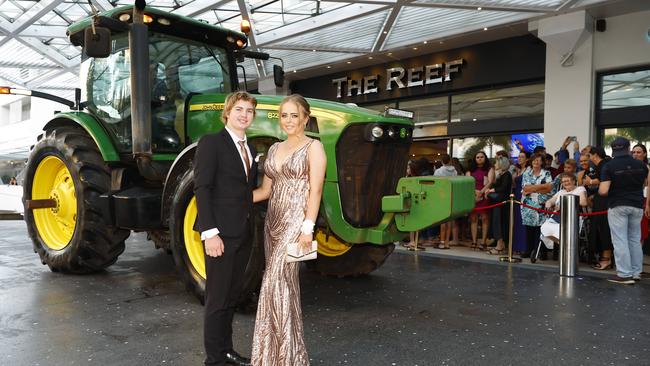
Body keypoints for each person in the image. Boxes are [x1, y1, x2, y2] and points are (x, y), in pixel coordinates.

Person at [251, 94, 326, 365]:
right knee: (283, 288)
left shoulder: (313, 147)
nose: (289, 120)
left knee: (275, 284)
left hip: (296, 224)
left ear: (306, 118)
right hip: (273, 221)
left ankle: (283, 356)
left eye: (295, 115)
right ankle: (279, 354)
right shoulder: (273, 150)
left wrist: (307, 228)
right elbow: (265, 191)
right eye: (284, 115)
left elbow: (315, 191)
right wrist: (229, 199)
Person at [193, 91, 258, 366]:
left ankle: (226, 351)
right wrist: (210, 232)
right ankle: (214, 360)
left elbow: (244, 191)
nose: (244, 115)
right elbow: (202, 188)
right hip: (219, 234)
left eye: (249, 111)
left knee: (231, 296)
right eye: (239, 109)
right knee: (217, 299)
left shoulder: (250, 148)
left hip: (242, 232)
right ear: (227, 113)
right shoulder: (212, 143)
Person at [599, 137, 648, 284]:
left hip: (618, 204)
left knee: (620, 240)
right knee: (634, 239)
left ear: (614, 150)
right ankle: (636, 272)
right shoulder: (641, 165)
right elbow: (645, 184)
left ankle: (624, 274)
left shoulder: (609, 166)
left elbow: (603, 190)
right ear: (628, 148)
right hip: (637, 205)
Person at [541, 173, 588, 249]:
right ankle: (563, 244)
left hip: (573, 217)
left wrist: (564, 204)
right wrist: (548, 203)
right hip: (558, 217)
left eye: (567, 180)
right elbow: (551, 201)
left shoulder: (580, 189)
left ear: (573, 181)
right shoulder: (561, 192)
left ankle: (565, 245)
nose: (566, 183)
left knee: (561, 229)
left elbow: (583, 202)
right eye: (563, 182)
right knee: (545, 227)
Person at [520, 153, 553, 259]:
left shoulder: (547, 173)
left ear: (542, 162)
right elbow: (525, 189)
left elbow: (549, 189)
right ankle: (529, 250)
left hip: (542, 205)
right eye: (534, 160)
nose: (536, 162)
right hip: (528, 205)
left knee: (541, 228)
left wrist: (533, 188)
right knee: (529, 229)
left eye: (538, 160)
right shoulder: (526, 173)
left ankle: (542, 252)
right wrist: (541, 187)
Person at [588, 146, 613, 270]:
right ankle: (605, 257)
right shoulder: (603, 165)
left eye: (589, 155)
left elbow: (604, 181)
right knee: (601, 229)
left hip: (604, 203)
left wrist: (591, 182)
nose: (589, 158)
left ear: (595, 155)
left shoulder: (605, 165)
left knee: (604, 228)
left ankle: (606, 259)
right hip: (601, 201)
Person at [466, 151, 495, 250]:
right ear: (475, 159)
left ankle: (483, 242)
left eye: (481, 157)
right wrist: (475, 192)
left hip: (484, 195)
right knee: (473, 218)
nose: (479, 159)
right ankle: (474, 241)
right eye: (477, 157)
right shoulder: (470, 170)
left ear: (485, 158)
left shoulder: (490, 168)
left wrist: (481, 192)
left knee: (484, 218)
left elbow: (490, 182)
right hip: (473, 195)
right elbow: (468, 182)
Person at [485, 156, 512, 255]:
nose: (495, 165)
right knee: (497, 223)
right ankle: (501, 245)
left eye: (496, 163)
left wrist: (492, 190)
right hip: (498, 203)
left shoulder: (507, 174)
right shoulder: (501, 174)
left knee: (499, 224)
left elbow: (504, 188)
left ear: (501, 164)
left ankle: (500, 246)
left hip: (502, 204)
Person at [434, 153, 457, 249]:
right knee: (449, 220)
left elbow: (435, 184)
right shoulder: (454, 171)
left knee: (443, 220)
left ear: (442, 161)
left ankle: (442, 242)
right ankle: (447, 241)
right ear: (450, 160)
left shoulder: (439, 171)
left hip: (442, 196)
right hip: (451, 195)